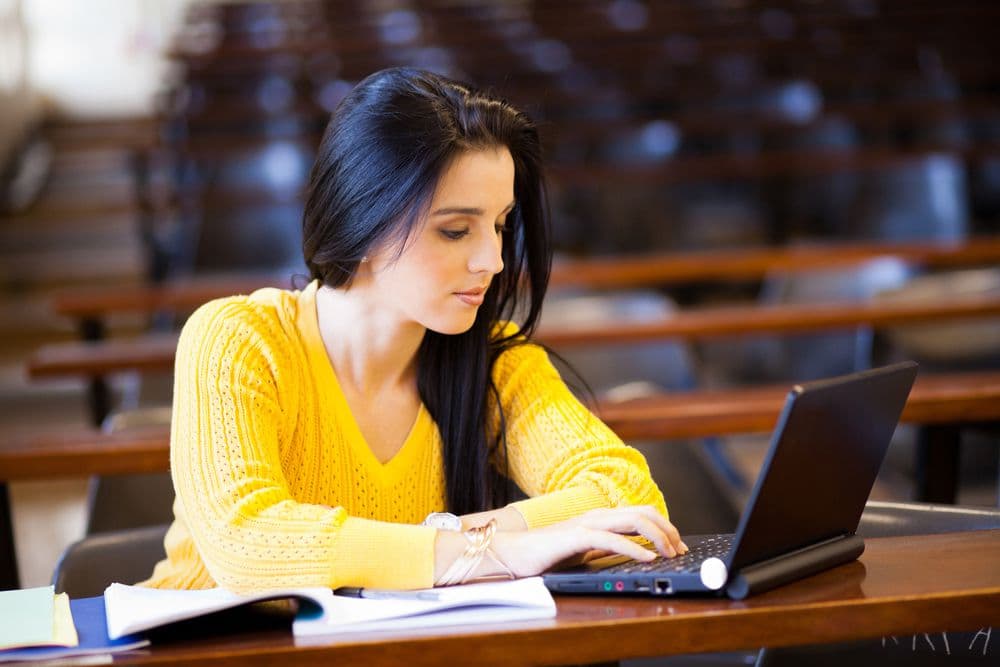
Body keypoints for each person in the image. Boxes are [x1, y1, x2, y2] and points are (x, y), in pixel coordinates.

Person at [143, 67, 686, 593]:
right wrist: (490, 552)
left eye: (500, 225)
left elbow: (627, 493)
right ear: (362, 220)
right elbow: (245, 539)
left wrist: (468, 541)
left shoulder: (496, 362)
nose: (494, 260)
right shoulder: (238, 339)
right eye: (455, 230)